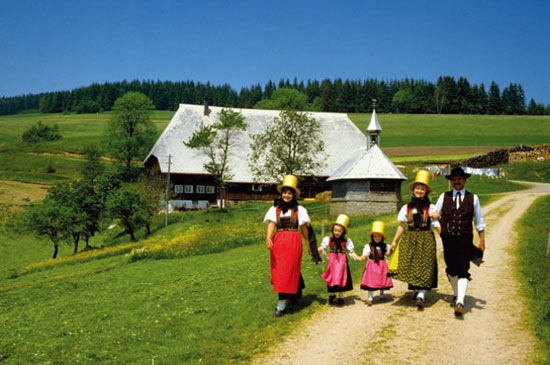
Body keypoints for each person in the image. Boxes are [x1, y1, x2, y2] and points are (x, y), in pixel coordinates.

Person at [434, 167, 485, 317]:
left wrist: (482, 240)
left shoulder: (473, 198)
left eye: (459, 179)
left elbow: (479, 220)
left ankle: (460, 302)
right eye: (454, 179)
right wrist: (439, 229)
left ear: (465, 180)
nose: (457, 182)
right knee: (451, 268)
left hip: (465, 238)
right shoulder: (444, 197)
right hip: (448, 239)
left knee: (463, 268)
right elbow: (436, 216)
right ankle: (457, 294)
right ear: (451, 181)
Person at [388, 170, 441, 308]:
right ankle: (417, 290)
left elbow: (436, 224)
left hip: (426, 238)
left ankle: (421, 295)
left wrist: (445, 236)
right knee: (411, 264)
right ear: (413, 191)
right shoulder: (406, 207)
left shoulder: (431, 207)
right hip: (410, 237)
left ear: (426, 192)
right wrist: (394, 241)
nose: (419, 191)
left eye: (422, 189)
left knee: (425, 264)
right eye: (417, 188)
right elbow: (401, 226)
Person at [264, 175, 311, 317]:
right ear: (281, 193)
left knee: (291, 269)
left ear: (294, 195)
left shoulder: (299, 209)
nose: (286, 195)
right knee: (280, 272)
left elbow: (303, 228)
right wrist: (268, 239)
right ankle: (285, 302)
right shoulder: (275, 209)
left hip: (293, 241)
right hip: (279, 242)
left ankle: (284, 304)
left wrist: (308, 243)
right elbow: (272, 225)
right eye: (284, 192)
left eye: (289, 193)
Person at [318, 214, 358, 306]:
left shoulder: (346, 241)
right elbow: (322, 247)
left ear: (343, 232)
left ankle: (341, 297)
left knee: (341, 278)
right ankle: (332, 295)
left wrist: (357, 256)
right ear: (332, 230)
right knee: (332, 278)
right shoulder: (328, 239)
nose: (337, 232)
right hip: (332, 262)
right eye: (335, 230)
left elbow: (350, 251)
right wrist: (315, 251)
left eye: (339, 231)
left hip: (342, 262)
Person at [358, 221, 393, 305]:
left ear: (382, 237)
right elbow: (365, 254)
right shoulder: (369, 246)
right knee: (371, 281)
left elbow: (387, 255)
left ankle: (382, 293)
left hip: (381, 265)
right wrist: (362, 257)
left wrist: (391, 250)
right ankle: (370, 297)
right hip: (371, 265)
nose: (377, 238)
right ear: (372, 237)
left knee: (381, 279)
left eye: (379, 236)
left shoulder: (385, 246)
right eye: (375, 236)